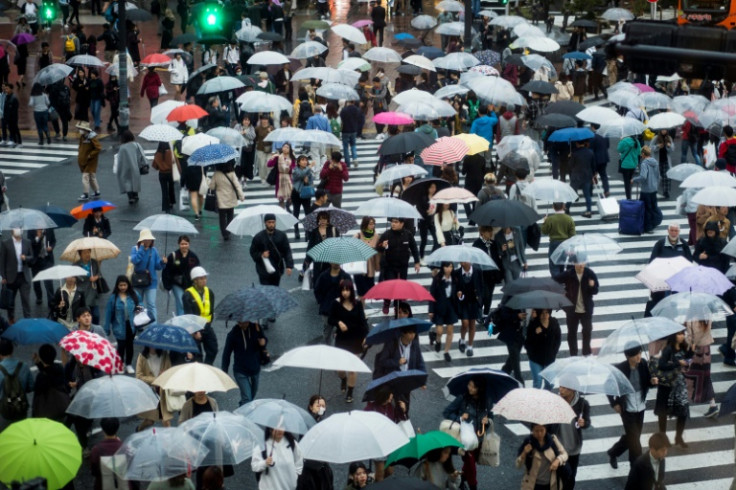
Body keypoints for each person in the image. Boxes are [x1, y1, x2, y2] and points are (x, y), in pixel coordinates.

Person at [607, 344, 659, 468]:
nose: (639, 357)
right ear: (628, 356)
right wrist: (614, 403)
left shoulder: (643, 364)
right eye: (636, 355)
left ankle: (613, 452)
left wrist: (652, 382)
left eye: (640, 353)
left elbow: (647, 382)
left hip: (640, 407)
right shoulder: (620, 369)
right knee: (635, 440)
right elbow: (608, 386)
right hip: (627, 409)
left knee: (633, 437)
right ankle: (636, 466)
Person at [443, 377, 490, 490]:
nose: (470, 388)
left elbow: (490, 417)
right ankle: (473, 487)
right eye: (469, 385)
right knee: (471, 465)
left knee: (470, 464)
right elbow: (446, 412)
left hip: (479, 438)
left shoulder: (487, 401)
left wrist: (487, 421)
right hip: (466, 439)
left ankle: (459, 481)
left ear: (479, 388)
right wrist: (460, 418)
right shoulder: (462, 398)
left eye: (473, 386)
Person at [329, 280, 368, 403]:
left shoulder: (357, 304)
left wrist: (366, 337)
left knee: (352, 368)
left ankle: (350, 391)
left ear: (351, 291)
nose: (345, 292)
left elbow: (363, 322)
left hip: (356, 338)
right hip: (342, 338)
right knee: (340, 368)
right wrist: (339, 322)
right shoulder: (336, 304)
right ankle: (343, 379)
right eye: (343, 290)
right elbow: (331, 319)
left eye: (347, 290)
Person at [654, 330, 694, 449]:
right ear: (674, 336)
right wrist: (677, 363)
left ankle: (679, 437)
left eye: (683, 334)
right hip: (667, 386)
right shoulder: (668, 349)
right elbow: (661, 365)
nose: (682, 336)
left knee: (682, 412)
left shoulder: (683, 347)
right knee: (663, 413)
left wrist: (691, 351)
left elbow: (686, 359)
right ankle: (663, 438)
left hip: (680, 385)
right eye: (679, 334)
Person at [376, 218, 421, 314]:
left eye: (396, 222)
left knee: (400, 287)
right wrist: (382, 245)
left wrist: (417, 262)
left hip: (403, 266)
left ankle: (398, 305)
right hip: (389, 265)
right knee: (390, 285)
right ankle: (386, 302)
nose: (393, 224)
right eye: (392, 222)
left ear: (402, 223)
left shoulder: (407, 234)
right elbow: (377, 247)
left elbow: (414, 248)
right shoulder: (387, 234)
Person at [554, 261, 599, 356]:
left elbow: (596, 291)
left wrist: (592, 286)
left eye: (583, 264)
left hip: (586, 309)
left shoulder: (590, 274)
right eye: (579, 264)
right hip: (571, 309)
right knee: (572, 332)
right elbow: (554, 280)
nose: (581, 266)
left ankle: (586, 352)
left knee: (587, 330)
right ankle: (573, 354)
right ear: (574, 264)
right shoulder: (569, 274)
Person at [553, 380, 591, 490]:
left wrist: (584, 423)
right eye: (560, 386)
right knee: (558, 475)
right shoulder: (555, 402)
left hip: (574, 448)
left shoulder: (583, 404)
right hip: (559, 447)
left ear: (573, 390)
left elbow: (587, 422)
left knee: (571, 476)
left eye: (564, 387)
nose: (561, 389)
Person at [221, 321, 266, 406]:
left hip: (255, 368)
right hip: (240, 371)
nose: (240, 324)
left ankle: (242, 409)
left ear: (248, 320)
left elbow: (263, 340)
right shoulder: (233, 334)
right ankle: (244, 415)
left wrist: (263, 342)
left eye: (242, 322)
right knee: (247, 399)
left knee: (251, 397)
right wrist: (224, 371)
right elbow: (226, 354)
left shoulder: (257, 328)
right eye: (238, 322)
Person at [516, 423, 568, 490]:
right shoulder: (528, 442)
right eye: (536, 431)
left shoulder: (552, 440)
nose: (539, 434)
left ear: (546, 430)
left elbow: (565, 454)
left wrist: (558, 460)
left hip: (550, 484)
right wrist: (524, 453)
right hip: (533, 484)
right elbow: (518, 465)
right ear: (532, 431)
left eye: (542, 430)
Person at [103, 275, 138, 374]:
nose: (123, 287)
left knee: (130, 345)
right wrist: (106, 328)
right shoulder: (113, 298)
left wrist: (139, 314)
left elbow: (140, 305)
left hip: (131, 325)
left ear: (128, 285)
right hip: (119, 326)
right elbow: (108, 314)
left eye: (124, 285)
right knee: (121, 346)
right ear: (117, 286)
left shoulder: (134, 295)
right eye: (120, 285)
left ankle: (129, 364)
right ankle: (120, 364)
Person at [183, 267, 217, 365]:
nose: (204, 280)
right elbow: (188, 314)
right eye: (201, 278)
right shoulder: (188, 295)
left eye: (205, 278)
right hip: (195, 328)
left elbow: (210, 310)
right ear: (195, 280)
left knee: (213, 349)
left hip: (207, 326)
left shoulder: (209, 292)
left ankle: (206, 367)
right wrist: (195, 331)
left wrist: (209, 324)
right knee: (197, 355)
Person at [130, 228, 166, 323]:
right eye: (146, 239)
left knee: (151, 305)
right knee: (138, 305)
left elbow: (157, 266)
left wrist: (162, 262)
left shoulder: (154, 250)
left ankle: (154, 327)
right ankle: (138, 324)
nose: (148, 241)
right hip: (137, 281)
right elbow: (135, 260)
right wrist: (142, 249)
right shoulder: (135, 249)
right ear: (141, 240)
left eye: (149, 239)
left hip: (151, 282)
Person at [250, 213, 294, 288]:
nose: (271, 224)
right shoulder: (258, 237)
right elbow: (252, 251)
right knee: (266, 289)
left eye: (273, 222)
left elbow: (287, 251)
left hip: (277, 268)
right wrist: (261, 255)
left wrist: (289, 266)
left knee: (275, 288)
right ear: (265, 223)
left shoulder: (281, 236)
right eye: (269, 222)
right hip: (263, 269)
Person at [135, 347, 174, 430]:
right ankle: (139, 429)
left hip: (162, 391)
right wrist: (156, 379)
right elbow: (139, 376)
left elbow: (170, 371)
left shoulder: (164, 355)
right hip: (150, 392)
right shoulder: (142, 357)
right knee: (150, 421)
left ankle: (169, 441)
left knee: (166, 420)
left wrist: (164, 375)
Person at [0, 338, 34, 429]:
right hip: (20, 407)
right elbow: (31, 387)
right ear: (12, 350)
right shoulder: (24, 366)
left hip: (4, 411)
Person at [0, 228, 33, 322]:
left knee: (26, 300)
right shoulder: (5, 243)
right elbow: (2, 261)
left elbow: (32, 257)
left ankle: (28, 320)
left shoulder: (27, 242)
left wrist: (26, 258)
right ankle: (11, 319)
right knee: (11, 301)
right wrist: (3, 276)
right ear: (12, 231)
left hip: (24, 276)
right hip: (11, 277)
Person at [162, 235, 200, 316]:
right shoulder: (173, 256)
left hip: (190, 285)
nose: (184, 246)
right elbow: (166, 271)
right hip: (177, 284)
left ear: (189, 244)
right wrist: (167, 286)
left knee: (185, 304)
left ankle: (181, 321)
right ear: (179, 244)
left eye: (186, 244)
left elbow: (198, 271)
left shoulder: (193, 257)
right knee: (182, 302)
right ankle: (181, 323)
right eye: (182, 244)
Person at [429, 262, 459, 362]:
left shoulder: (455, 278)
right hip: (439, 306)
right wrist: (431, 310)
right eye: (447, 266)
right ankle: (438, 340)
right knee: (440, 331)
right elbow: (432, 294)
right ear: (442, 267)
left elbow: (459, 291)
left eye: (451, 266)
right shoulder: (437, 279)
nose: (449, 269)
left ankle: (446, 351)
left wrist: (460, 295)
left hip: (451, 306)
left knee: (450, 330)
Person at [524, 309, 561, 390]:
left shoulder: (554, 323)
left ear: (549, 313)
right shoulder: (533, 324)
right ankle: (536, 401)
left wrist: (554, 353)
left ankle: (544, 398)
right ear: (539, 314)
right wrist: (535, 334)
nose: (544, 315)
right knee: (537, 383)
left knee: (550, 384)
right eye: (542, 313)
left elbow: (558, 340)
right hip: (535, 359)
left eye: (546, 312)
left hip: (549, 359)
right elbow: (527, 343)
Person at [31, 344, 69, 421]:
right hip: (60, 407)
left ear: (41, 357)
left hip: (46, 413)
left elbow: (37, 396)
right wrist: (39, 363)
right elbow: (49, 371)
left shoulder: (41, 377)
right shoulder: (59, 369)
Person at [209, 161, 244, 241]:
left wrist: (209, 182)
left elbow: (212, 187)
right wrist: (241, 196)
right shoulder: (232, 173)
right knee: (230, 216)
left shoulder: (216, 174)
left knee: (222, 218)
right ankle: (228, 230)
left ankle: (224, 234)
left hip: (221, 199)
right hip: (231, 198)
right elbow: (237, 185)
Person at [454, 261, 483, 358]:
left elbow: (481, 286)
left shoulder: (477, 271)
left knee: (472, 324)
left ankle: (470, 346)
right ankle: (462, 339)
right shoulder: (457, 272)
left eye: (464, 260)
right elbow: (455, 287)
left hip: (474, 302)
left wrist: (481, 301)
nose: (462, 262)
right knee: (465, 323)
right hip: (463, 302)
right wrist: (457, 293)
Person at [632, 146, 663, 234]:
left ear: (643, 154)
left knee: (646, 208)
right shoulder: (655, 162)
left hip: (646, 190)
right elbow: (658, 176)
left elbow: (643, 176)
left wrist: (634, 179)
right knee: (653, 206)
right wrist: (655, 185)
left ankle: (648, 226)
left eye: (641, 154)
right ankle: (655, 221)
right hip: (654, 188)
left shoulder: (644, 164)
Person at [542, 202, 576, 276]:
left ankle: (557, 283)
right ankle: (562, 279)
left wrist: (545, 221)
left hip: (554, 244)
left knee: (554, 265)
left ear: (553, 207)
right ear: (563, 206)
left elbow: (544, 231)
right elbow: (573, 235)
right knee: (562, 263)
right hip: (565, 244)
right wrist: (572, 248)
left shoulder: (550, 219)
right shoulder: (569, 219)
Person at [89, 417, 124, 490]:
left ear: (103, 430)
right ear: (117, 428)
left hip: (102, 484)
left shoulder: (96, 450)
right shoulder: (124, 448)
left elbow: (94, 472)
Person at [74, 248, 104, 325]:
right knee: (86, 315)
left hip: (93, 291)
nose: (87, 254)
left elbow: (99, 274)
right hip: (82, 293)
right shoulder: (76, 265)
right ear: (80, 254)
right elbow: (73, 278)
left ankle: (95, 329)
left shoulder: (93, 262)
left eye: (88, 252)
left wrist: (96, 277)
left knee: (96, 315)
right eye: (84, 253)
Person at [28, 228, 55, 307]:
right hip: (36, 260)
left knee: (48, 282)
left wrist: (51, 247)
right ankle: (39, 297)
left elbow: (53, 240)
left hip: (47, 259)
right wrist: (38, 238)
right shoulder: (31, 230)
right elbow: (29, 243)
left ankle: (51, 300)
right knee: (36, 281)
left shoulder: (49, 229)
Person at [569, 140, 595, 218]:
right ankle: (589, 211)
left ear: (577, 143)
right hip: (587, 176)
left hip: (576, 176)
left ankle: (567, 208)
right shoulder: (590, 152)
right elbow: (593, 165)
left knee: (571, 193)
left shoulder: (574, 153)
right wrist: (593, 175)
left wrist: (570, 157)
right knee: (587, 194)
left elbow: (570, 166)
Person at [76, 121, 102, 201]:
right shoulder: (83, 137)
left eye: (81, 129)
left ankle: (85, 194)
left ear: (85, 129)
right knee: (91, 177)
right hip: (84, 160)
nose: (80, 130)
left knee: (85, 177)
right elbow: (81, 147)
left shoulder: (92, 137)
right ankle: (97, 191)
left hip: (90, 161)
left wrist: (90, 155)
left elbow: (98, 148)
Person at [152, 141, 180, 213]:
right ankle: (171, 202)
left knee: (164, 191)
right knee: (171, 188)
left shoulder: (157, 154)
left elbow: (155, 166)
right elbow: (176, 163)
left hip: (162, 174)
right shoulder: (171, 153)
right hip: (170, 173)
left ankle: (166, 207)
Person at [267, 142, 296, 210]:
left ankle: (288, 207)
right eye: (284, 147)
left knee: (290, 196)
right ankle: (282, 210)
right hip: (279, 178)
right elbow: (269, 165)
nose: (285, 149)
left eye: (287, 147)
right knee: (281, 198)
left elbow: (294, 168)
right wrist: (272, 157)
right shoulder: (278, 157)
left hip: (289, 178)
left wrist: (289, 166)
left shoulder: (292, 158)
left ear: (290, 149)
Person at [291, 155, 314, 240]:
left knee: (307, 213)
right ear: (298, 162)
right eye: (302, 160)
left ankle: (307, 231)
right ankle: (296, 229)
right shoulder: (295, 170)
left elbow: (311, 180)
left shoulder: (309, 171)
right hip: (296, 193)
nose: (305, 162)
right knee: (296, 212)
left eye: (306, 160)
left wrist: (308, 181)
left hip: (306, 193)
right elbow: (300, 175)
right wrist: (309, 167)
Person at [618, 134, 641, 201]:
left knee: (626, 182)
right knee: (631, 180)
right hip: (633, 164)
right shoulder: (637, 141)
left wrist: (621, 141)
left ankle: (628, 197)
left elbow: (619, 149)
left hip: (625, 165)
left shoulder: (624, 141)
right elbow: (639, 152)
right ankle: (629, 193)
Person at [340, 100, 363, 168]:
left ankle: (348, 163)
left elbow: (341, 118)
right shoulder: (357, 110)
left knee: (345, 147)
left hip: (345, 130)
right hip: (354, 129)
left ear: (348, 102)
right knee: (353, 145)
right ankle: (355, 158)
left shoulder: (344, 110)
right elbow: (360, 119)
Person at [651, 129, 673, 199]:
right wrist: (657, 146)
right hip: (657, 160)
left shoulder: (669, 138)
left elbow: (672, 149)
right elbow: (651, 148)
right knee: (657, 176)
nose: (664, 131)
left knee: (667, 177)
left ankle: (666, 191)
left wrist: (669, 146)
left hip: (666, 160)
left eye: (665, 130)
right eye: (662, 130)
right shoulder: (656, 138)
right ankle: (654, 191)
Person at [255, 114, 275, 184]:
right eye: (263, 119)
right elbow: (255, 138)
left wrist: (270, 133)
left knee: (268, 164)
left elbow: (274, 139)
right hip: (260, 149)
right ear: (261, 120)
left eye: (266, 119)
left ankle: (268, 178)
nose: (264, 121)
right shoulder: (257, 128)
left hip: (269, 149)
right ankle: (262, 178)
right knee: (261, 164)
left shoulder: (271, 128)